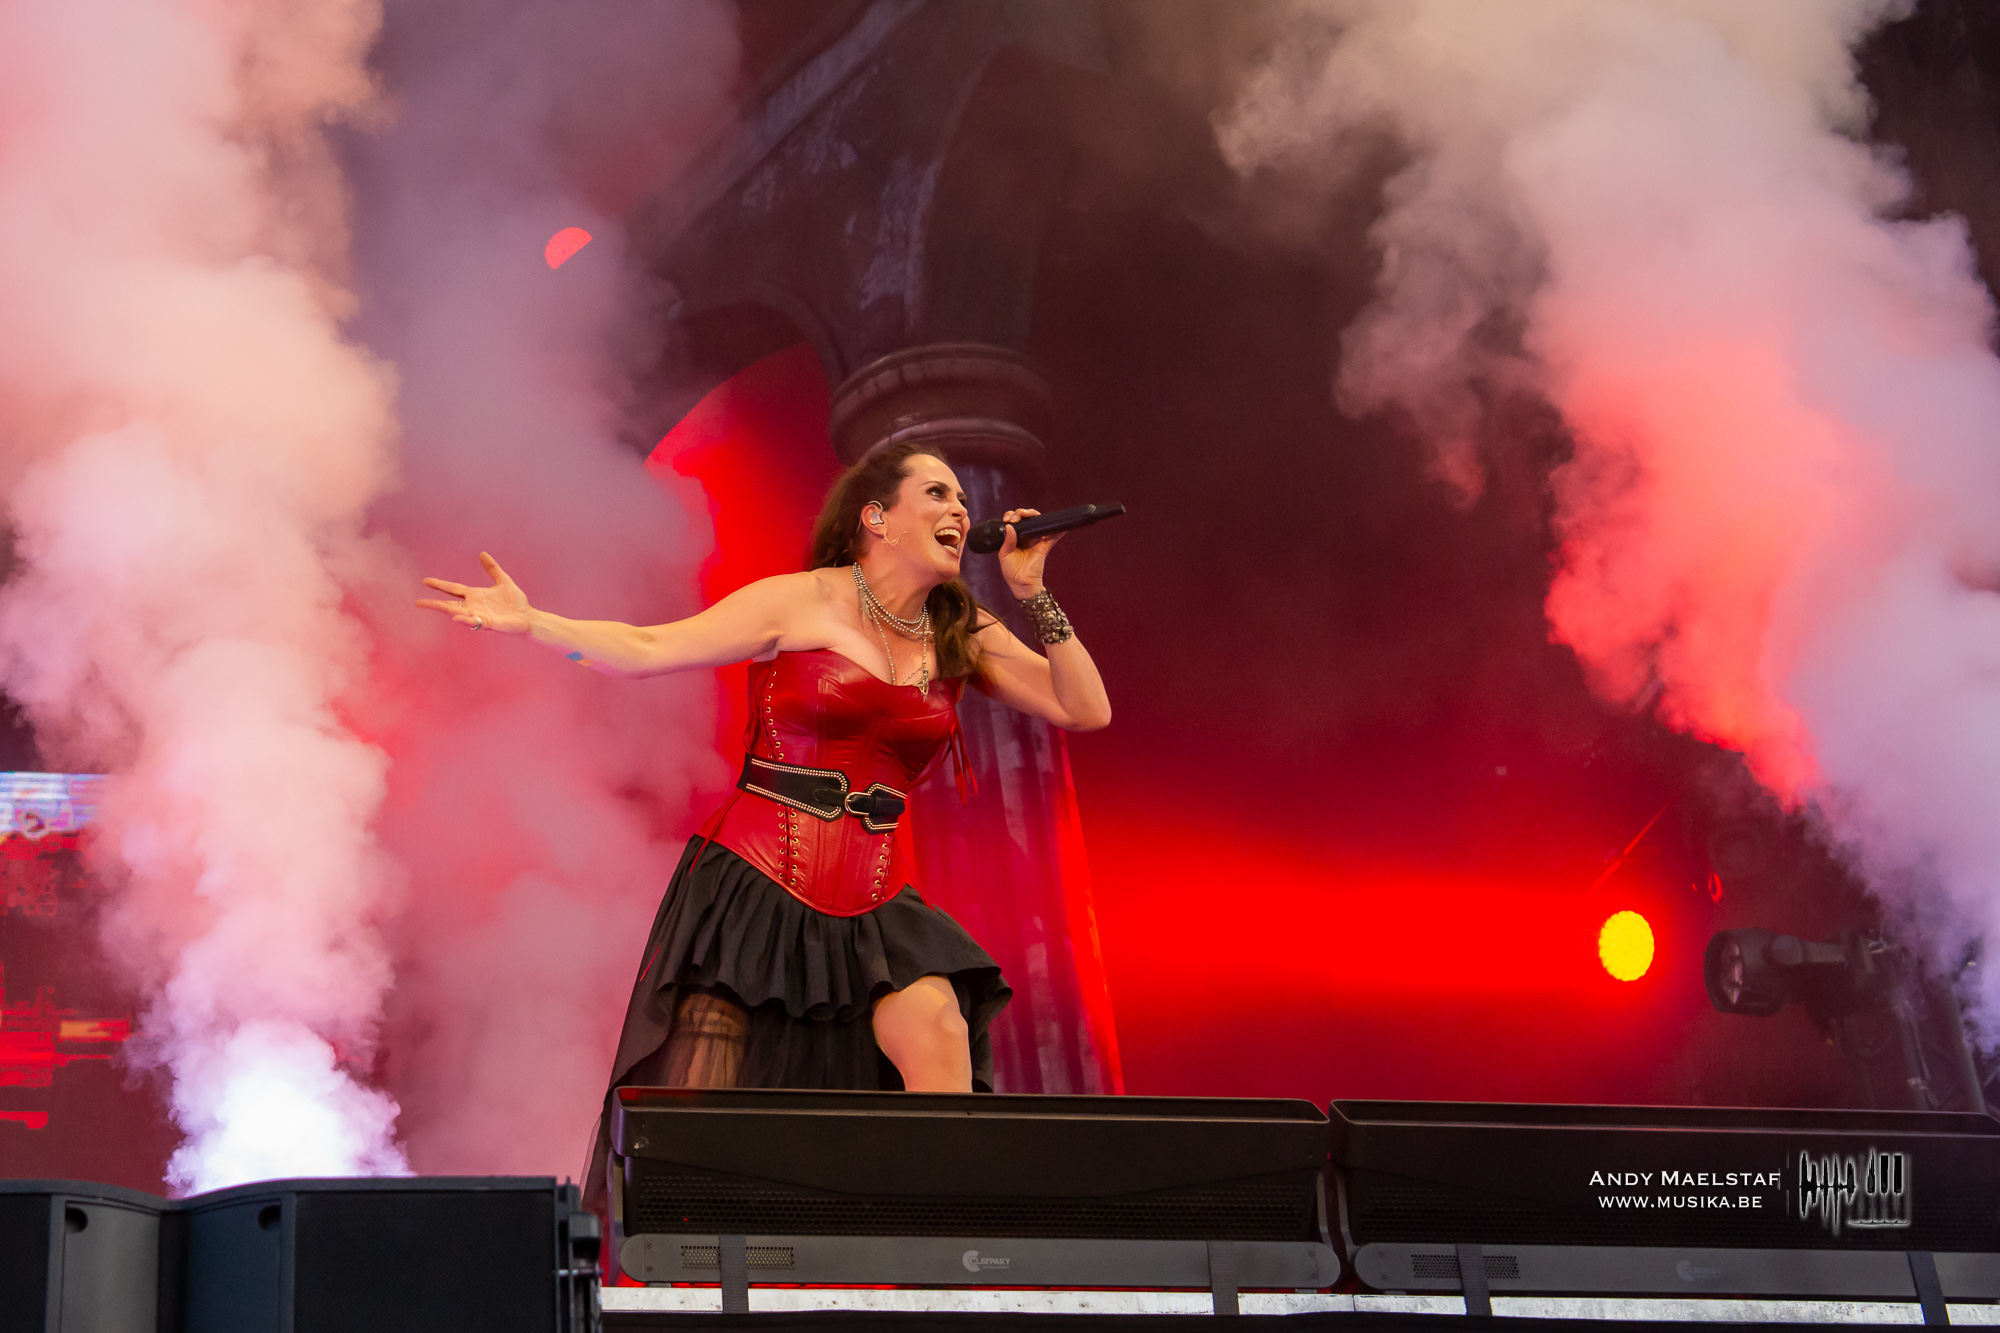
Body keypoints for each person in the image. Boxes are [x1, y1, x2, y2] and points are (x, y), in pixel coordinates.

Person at [415, 441, 1111, 1189]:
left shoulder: (959, 628)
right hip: (757, 877)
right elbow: (648, 648)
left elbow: (1084, 708)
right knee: (703, 1089)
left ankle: (933, 1246)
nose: (961, 510)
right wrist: (532, 624)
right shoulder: (800, 600)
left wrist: (1032, 592)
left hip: (877, 897)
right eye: (938, 494)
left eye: (963, 500)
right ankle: (676, 1251)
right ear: (877, 518)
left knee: (940, 1029)